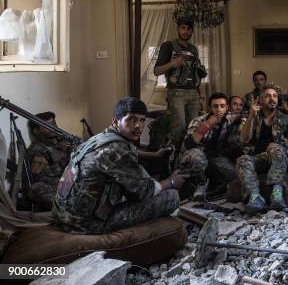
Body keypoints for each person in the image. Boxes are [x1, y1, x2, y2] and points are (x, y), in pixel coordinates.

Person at [53, 97, 186, 234]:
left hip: (63, 215)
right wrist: (171, 182)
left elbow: (128, 150)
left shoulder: (100, 139)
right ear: (115, 121)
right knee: (171, 196)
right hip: (84, 224)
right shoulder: (117, 151)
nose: (138, 126)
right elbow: (144, 191)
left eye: (142, 120)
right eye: (131, 119)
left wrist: (155, 155)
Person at [237, 85, 288, 214]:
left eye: (274, 96)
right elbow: (244, 139)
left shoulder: (286, 118)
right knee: (243, 159)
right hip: (262, 158)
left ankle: (277, 193)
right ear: (260, 100)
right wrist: (250, 115)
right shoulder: (253, 118)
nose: (272, 99)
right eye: (267, 96)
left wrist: (285, 144)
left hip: (283, 157)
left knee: (274, 147)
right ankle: (255, 197)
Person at [154, 16, 207, 150]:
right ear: (178, 29)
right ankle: (174, 159)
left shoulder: (193, 49)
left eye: (189, 29)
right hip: (176, 93)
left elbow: (195, 74)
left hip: (193, 93)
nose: (186, 31)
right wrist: (173, 63)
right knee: (179, 128)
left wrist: (199, 94)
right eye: (183, 28)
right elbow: (156, 71)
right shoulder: (168, 46)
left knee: (193, 127)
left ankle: (190, 157)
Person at [179, 93, 242, 201]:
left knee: (233, 174)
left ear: (227, 107)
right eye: (215, 106)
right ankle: (201, 184)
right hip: (193, 155)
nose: (219, 109)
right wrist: (208, 124)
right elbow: (188, 145)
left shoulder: (228, 120)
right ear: (210, 108)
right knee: (197, 156)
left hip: (213, 157)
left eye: (222, 106)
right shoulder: (198, 121)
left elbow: (240, 115)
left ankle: (214, 186)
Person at [24, 112, 73, 211]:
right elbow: (42, 178)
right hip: (55, 187)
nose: (53, 127)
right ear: (36, 131)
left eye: (54, 123)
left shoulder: (64, 144)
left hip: (71, 184)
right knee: (37, 188)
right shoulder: (37, 150)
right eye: (47, 125)